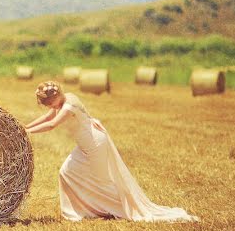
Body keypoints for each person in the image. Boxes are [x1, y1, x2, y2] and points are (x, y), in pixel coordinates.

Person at [25, 81, 199, 223]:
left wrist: (27, 132)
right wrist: (24, 128)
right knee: (66, 172)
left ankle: (120, 209)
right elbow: (48, 117)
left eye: (48, 103)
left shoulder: (69, 105)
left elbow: (51, 125)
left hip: (95, 144)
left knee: (102, 180)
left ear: (54, 98)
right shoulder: (62, 100)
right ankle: (86, 210)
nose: (48, 107)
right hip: (85, 144)